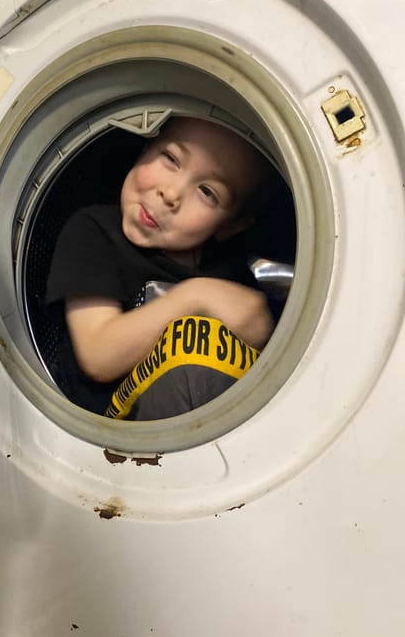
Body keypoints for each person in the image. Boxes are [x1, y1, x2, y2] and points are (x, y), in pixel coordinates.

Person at [46, 116, 275, 420]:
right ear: (145, 147)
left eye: (207, 192)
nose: (171, 193)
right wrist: (194, 297)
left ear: (231, 226)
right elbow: (99, 354)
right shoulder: (95, 232)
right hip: (105, 439)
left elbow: (258, 329)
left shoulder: (224, 266)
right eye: (170, 158)